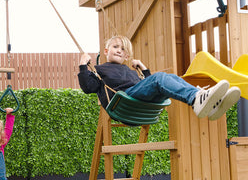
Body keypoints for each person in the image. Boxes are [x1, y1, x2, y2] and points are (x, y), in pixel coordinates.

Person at [78, 35, 241, 121]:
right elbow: (88, 87)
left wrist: (144, 70)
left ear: (127, 55)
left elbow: (149, 87)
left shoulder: (130, 71)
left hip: (138, 98)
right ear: (106, 51)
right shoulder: (100, 70)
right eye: (115, 47)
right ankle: (196, 99)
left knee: (169, 78)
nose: (119, 50)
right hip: (124, 101)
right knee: (161, 77)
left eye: (123, 49)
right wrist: (83, 66)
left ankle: (210, 105)